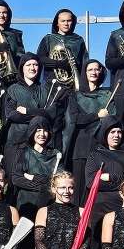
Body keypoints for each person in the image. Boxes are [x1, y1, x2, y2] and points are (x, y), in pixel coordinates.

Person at [36, 8, 87, 151]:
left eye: (69, 21)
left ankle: (66, 156)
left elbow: (84, 63)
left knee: (70, 124)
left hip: (71, 89)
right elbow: (39, 59)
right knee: (52, 124)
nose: (66, 23)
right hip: (52, 89)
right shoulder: (48, 39)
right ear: (57, 23)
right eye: (63, 21)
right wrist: (58, 63)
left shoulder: (78, 40)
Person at [64, 60, 114, 204]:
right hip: (81, 147)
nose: (93, 72)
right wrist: (97, 115)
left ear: (101, 72)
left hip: (100, 146)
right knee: (79, 189)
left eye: (96, 69)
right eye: (90, 70)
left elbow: (112, 117)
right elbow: (76, 119)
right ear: (84, 73)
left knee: (96, 188)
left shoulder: (107, 94)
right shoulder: (75, 95)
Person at [3, 53, 48, 150]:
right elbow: (11, 114)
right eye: (28, 65)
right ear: (22, 68)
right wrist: (39, 115)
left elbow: (49, 113)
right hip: (18, 139)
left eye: (35, 65)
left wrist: (27, 111)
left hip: (39, 140)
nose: (32, 68)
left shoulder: (45, 90)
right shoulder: (13, 89)